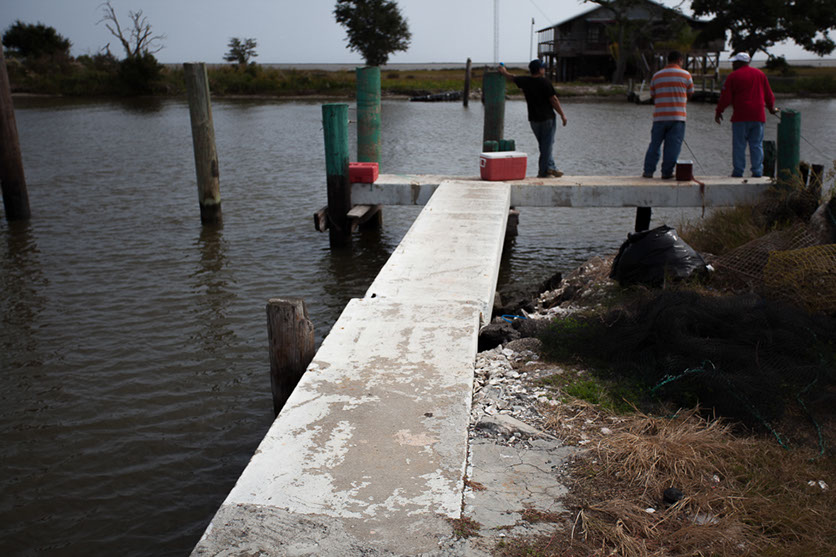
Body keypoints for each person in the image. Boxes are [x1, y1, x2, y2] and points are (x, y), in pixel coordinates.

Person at [498, 59, 568, 178]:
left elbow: (513, 77)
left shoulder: (525, 81)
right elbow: (554, 100)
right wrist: (562, 115)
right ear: (540, 70)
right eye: (543, 68)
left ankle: (550, 167)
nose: (544, 69)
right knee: (547, 145)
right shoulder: (545, 82)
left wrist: (504, 72)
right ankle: (544, 171)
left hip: (534, 119)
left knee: (544, 145)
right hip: (547, 118)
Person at [715, 52, 779, 178]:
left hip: (740, 117)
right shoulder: (760, 74)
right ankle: (757, 172)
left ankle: (738, 172)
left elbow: (725, 97)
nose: (732, 64)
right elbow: (769, 95)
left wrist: (719, 111)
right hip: (758, 116)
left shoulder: (733, 76)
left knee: (739, 145)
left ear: (739, 63)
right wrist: (771, 108)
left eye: (734, 62)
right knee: (756, 145)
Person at [642, 51, 694, 179]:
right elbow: (690, 93)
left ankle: (648, 171)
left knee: (654, 145)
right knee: (673, 147)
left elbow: (653, 95)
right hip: (677, 117)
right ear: (680, 60)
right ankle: (667, 172)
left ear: (668, 60)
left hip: (659, 117)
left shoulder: (656, 76)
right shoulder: (686, 75)